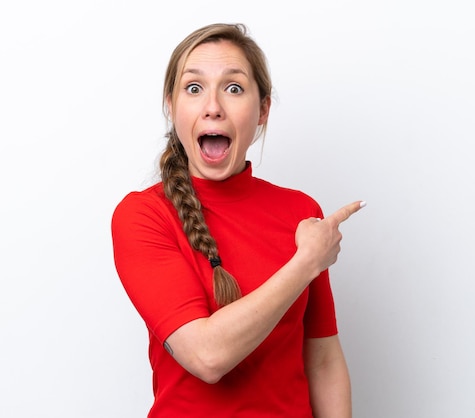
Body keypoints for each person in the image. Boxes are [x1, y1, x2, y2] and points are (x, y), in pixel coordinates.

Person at [111, 23, 365, 417]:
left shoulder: (300, 212)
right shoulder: (143, 215)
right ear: (171, 106)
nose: (213, 106)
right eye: (193, 89)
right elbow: (207, 356)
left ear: (262, 110)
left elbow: (323, 359)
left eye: (233, 88)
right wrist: (305, 263)